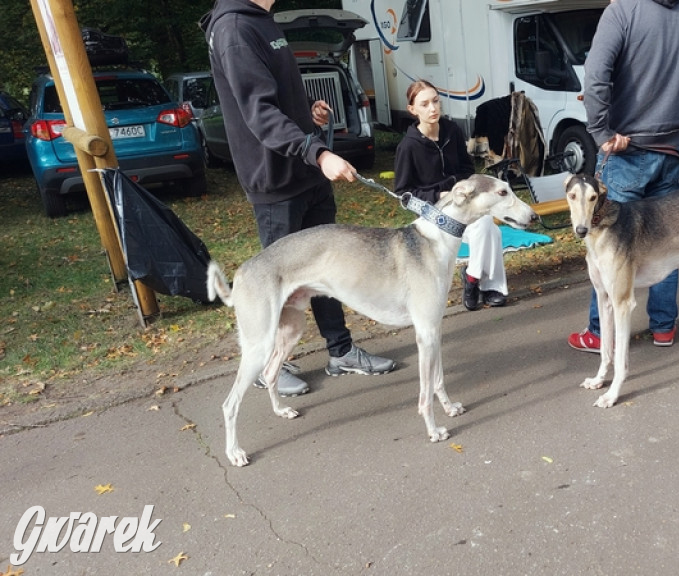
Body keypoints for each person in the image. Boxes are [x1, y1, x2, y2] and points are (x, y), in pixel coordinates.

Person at [201, 0, 396, 397]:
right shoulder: (235, 30)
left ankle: (341, 352)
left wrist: (308, 117)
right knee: (280, 284)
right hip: (276, 184)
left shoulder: (262, 22)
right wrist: (317, 152)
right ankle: (273, 364)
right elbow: (259, 113)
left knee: (329, 272)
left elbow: (277, 99)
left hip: (305, 175)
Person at [568, 0, 679, 352]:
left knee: (607, 247)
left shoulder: (622, 11)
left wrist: (600, 132)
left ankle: (599, 333)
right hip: (671, 151)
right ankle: (663, 327)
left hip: (625, 151)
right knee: (665, 240)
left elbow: (595, 76)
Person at [393, 80, 509, 311]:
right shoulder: (408, 146)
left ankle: (474, 278)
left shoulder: (452, 131)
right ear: (412, 110)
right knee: (489, 228)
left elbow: (467, 169)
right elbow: (403, 193)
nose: (433, 108)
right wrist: (439, 194)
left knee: (487, 225)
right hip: (433, 213)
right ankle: (487, 285)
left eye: (435, 101)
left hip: (462, 204)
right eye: (424, 104)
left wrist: (463, 187)